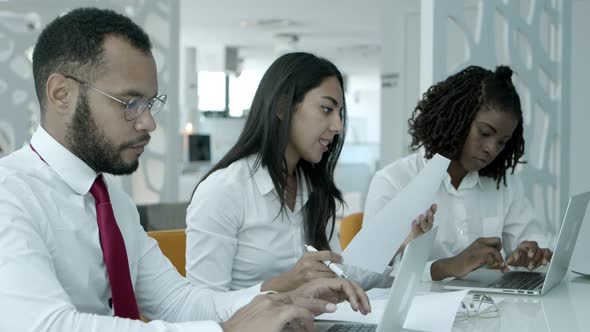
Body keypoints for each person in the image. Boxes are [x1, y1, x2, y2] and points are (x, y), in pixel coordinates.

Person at [0, 8, 371, 332]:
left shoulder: (113, 204)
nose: (148, 123)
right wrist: (225, 330)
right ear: (61, 94)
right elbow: (44, 325)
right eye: (129, 103)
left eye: (150, 104)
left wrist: (283, 297)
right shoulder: (10, 194)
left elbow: (179, 303)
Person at [185, 52, 436, 297]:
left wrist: (399, 242)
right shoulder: (223, 191)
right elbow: (201, 308)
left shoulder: (312, 189)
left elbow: (342, 276)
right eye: (327, 109)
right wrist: (285, 283)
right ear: (283, 107)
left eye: (339, 114)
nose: (338, 126)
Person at [364, 65, 553, 281]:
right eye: (484, 133)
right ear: (457, 120)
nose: (491, 149)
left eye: (502, 142)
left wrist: (531, 254)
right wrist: (446, 267)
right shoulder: (394, 181)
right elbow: (368, 280)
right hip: (420, 312)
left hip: (490, 310)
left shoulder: (504, 184)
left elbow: (532, 237)